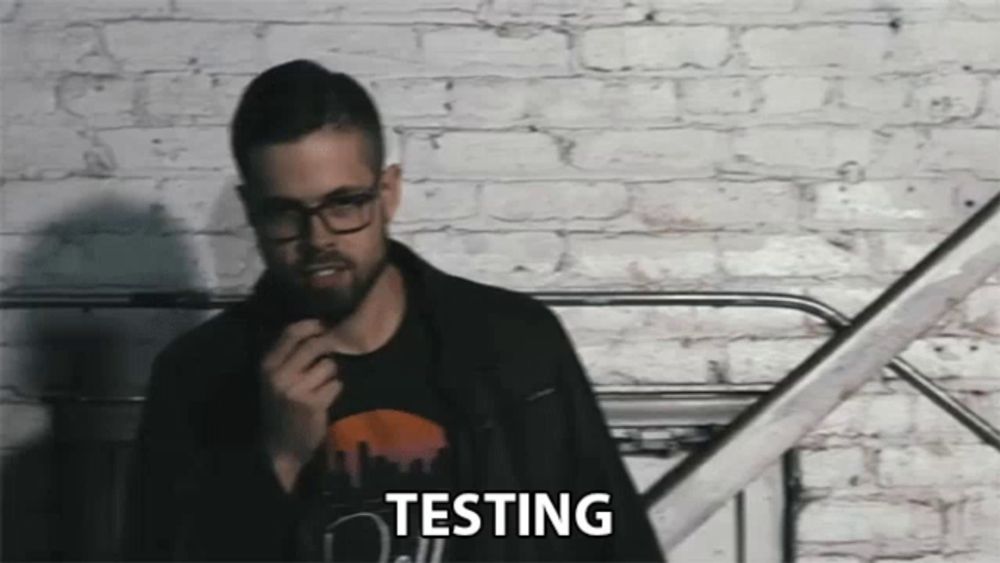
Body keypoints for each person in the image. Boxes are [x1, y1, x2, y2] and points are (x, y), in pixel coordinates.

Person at [123, 59, 663, 562]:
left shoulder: (516, 345)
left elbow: (615, 542)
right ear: (251, 212)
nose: (318, 239)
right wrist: (278, 459)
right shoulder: (198, 374)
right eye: (284, 213)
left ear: (388, 193)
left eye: (343, 204)